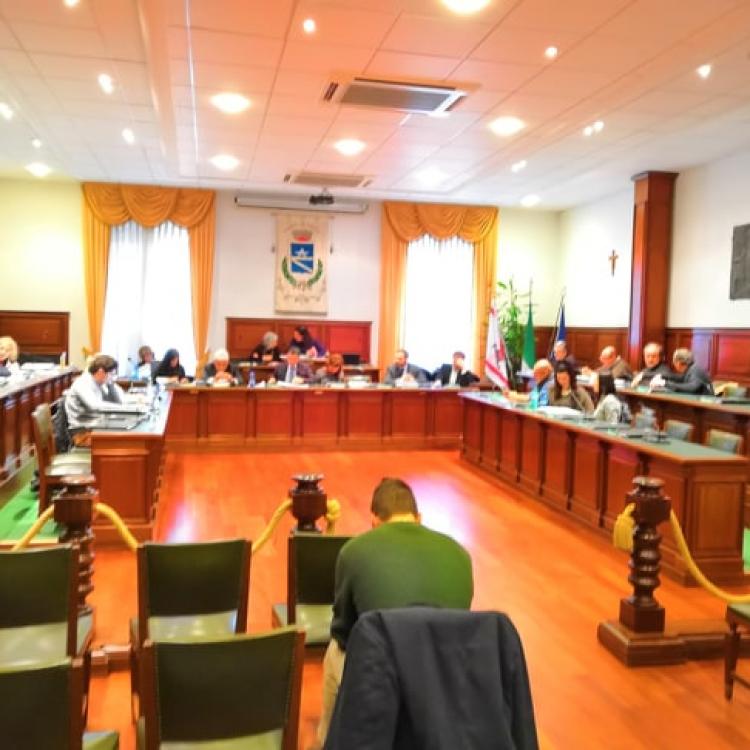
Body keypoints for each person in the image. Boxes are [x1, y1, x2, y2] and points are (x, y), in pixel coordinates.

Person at [315, 477, 473, 748]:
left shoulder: (353, 551)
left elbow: (343, 631)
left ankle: (328, 742)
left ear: (374, 522)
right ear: (418, 518)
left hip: (382, 680)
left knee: (334, 651)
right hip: (445, 674)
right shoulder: (460, 553)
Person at [64, 354, 145, 442]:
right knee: (127, 440)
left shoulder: (99, 382)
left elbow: (120, 401)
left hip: (95, 426)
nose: (113, 377)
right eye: (112, 374)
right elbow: (96, 406)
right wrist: (126, 408)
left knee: (130, 435)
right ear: (101, 372)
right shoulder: (82, 383)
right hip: (82, 433)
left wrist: (111, 385)